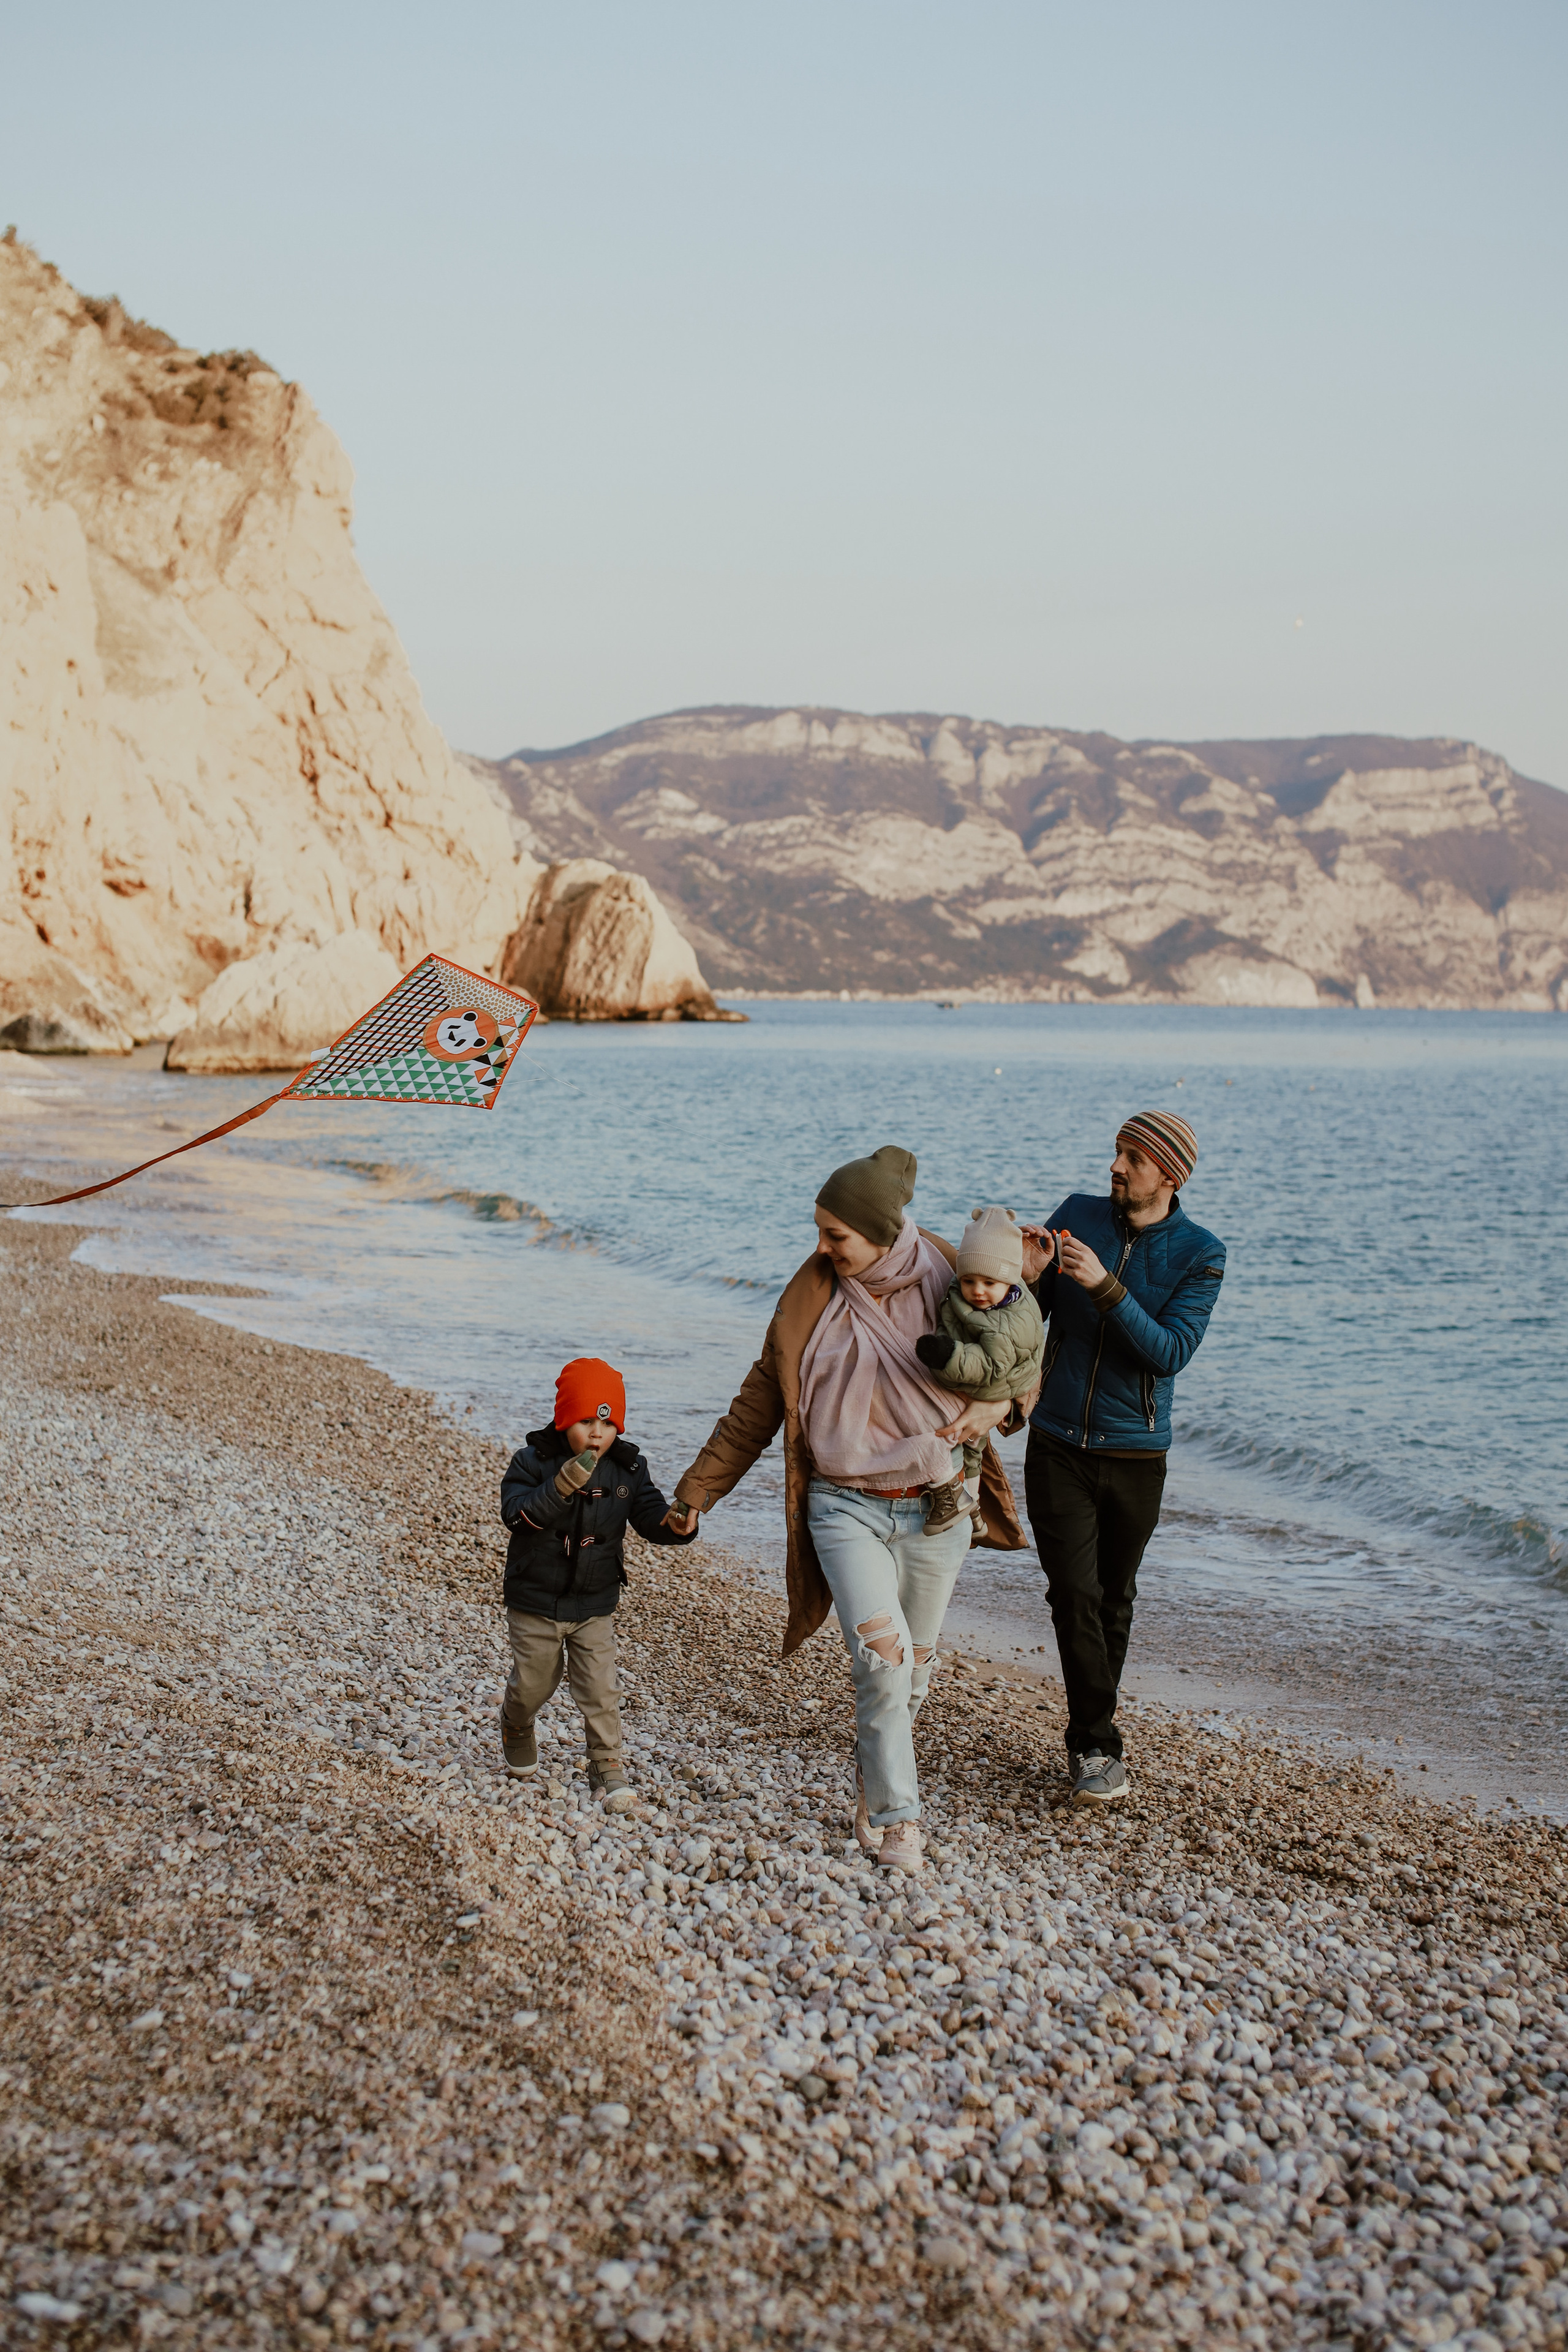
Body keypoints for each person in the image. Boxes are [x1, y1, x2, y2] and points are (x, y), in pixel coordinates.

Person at [666, 1147, 1027, 1876]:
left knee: (915, 1672)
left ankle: (873, 1771)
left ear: (884, 1231)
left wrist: (1005, 1404)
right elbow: (757, 1404)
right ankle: (900, 1822)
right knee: (882, 1660)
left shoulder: (958, 1278)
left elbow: (1026, 1357)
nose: (823, 1248)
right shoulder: (811, 1298)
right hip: (841, 1506)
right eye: (820, 1232)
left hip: (937, 1507)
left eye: (838, 1236)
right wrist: (696, 1492)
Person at [1019, 1110, 1225, 1806]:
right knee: (1072, 1592)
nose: (1115, 1166)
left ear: (1168, 1175)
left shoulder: (1201, 1253)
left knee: (1112, 1599)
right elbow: (1028, 1312)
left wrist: (1104, 1285)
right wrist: (1027, 1277)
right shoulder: (1078, 1214)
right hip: (1057, 1443)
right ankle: (1097, 1746)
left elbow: (1169, 1352)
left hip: (1137, 1454)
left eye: (1131, 1158)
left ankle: (1093, 1733)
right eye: (1115, 1152)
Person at [499, 1355, 696, 1812]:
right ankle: (516, 1721)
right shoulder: (532, 1461)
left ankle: (607, 1764)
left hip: (594, 1600)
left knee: (601, 1688)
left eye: (606, 1425)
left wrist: (676, 1523)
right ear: (565, 1418)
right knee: (535, 1682)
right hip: (535, 1598)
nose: (596, 1434)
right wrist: (563, 1485)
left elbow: (650, 1516)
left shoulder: (627, 1470)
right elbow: (517, 1515)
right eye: (585, 1421)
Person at [913, 1205, 1046, 1532]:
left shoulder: (1008, 1322)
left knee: (959, 1439)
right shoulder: (979, 1298)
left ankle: (962, 1502)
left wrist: (948, 1357)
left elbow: (991, 1367)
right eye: (968, 1280)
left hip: (996, 1382)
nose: (978, 1291)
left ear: (1011, 1279)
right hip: (986, 1380)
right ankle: (972, 1511)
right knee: (972, 1449)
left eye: (989, 1282)